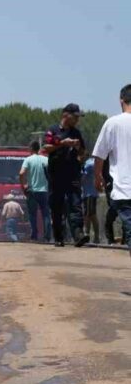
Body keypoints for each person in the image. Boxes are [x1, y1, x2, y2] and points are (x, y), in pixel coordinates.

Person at [92, 84, 131, 255]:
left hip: (124, 191)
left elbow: (99, 156)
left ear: (121, 100)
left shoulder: (112, 123)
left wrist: (98, 177)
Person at [44, 104, 89, 247]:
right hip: (56, 174)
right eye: (75, 117)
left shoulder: (77, 133)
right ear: (66, 115)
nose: (77, 120)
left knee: (75, 204)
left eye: (78, 117)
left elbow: (83, 153)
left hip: (72, 174)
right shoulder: (53, 130)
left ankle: (78, 235)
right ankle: (58, 237)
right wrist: (63, 143)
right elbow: (46, 148)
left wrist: (79, 151)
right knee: (56, 206)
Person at [19, 141, 51, 242]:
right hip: (44, 191)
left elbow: (21, 173)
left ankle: (34, 236)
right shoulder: (46, 159)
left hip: (32, 191)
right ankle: (47, 237)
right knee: (46, 214)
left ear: (31, 149)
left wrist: (24, 185)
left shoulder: (28, 160)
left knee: (33, 214)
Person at [82, 157, 100, 244]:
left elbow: (82, 179)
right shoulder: (91, 163)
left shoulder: (88, 164)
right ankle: (90, 235)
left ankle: (91, 235)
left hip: (90, 193)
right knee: (89, 214)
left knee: (90, 214)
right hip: (88, 193)